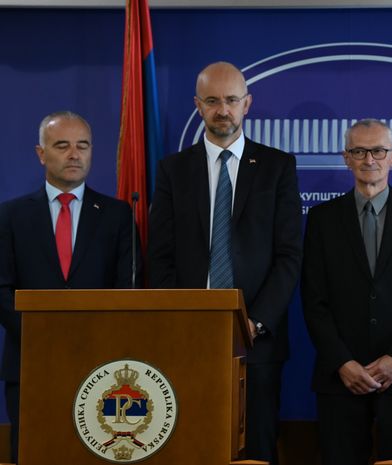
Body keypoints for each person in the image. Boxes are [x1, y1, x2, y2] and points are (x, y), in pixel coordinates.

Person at [148, 62, 302, 464]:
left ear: (247, 104)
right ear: (198, 105)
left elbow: (289, 256)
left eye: (232, 100)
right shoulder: (173, 170)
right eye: (213, 101)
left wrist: (255, 322)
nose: (223, 110)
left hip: (257, 342)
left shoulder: (277, 167)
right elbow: (160, 257)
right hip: (188, 337)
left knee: (257, 447)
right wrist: (183, 317)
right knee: (189, 445)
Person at [0, 111, 140, 462]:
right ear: (41, 153)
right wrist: (43, 334)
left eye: (83, 145)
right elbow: (2, 289)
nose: (74, 154)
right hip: (30, 360)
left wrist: (87, 337)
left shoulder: (118, 215)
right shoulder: (10, 216)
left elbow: (126, 289)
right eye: (62, 145)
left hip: (99, 361)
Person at [302, 119, 392, 465]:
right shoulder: (321, 218)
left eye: (378, 151)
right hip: (340, 378)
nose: (369, 160)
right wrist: (342, 362)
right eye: (359, 151)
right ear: (346, 158)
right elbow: (313, 300)